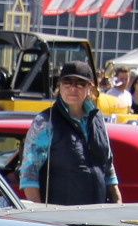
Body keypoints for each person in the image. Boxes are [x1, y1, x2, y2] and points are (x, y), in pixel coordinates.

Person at [18, 60, 121, 206]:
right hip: (61, 217)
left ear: (89, 87)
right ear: (59, 85)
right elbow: (29, 174)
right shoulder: (45, 121)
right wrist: (40, 215)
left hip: (97, 215)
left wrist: (117, 201)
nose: (73, 88)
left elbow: (107, 164)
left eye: (79, 83)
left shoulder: (97, 119)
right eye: (67, 82)